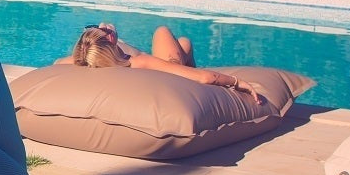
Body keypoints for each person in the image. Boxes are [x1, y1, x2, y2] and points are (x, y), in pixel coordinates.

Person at [69, 21, 269, 103]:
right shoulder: (140, 63)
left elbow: (58, 63)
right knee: (165, 33)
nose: (105, 26)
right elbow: (206, 77)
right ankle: (183, 57)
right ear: (111, 40)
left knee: (183, 43)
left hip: (108, 51)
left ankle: (184, 53)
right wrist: (237, 82)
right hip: (174, 78)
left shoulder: (78, 61)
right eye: (103, 30)